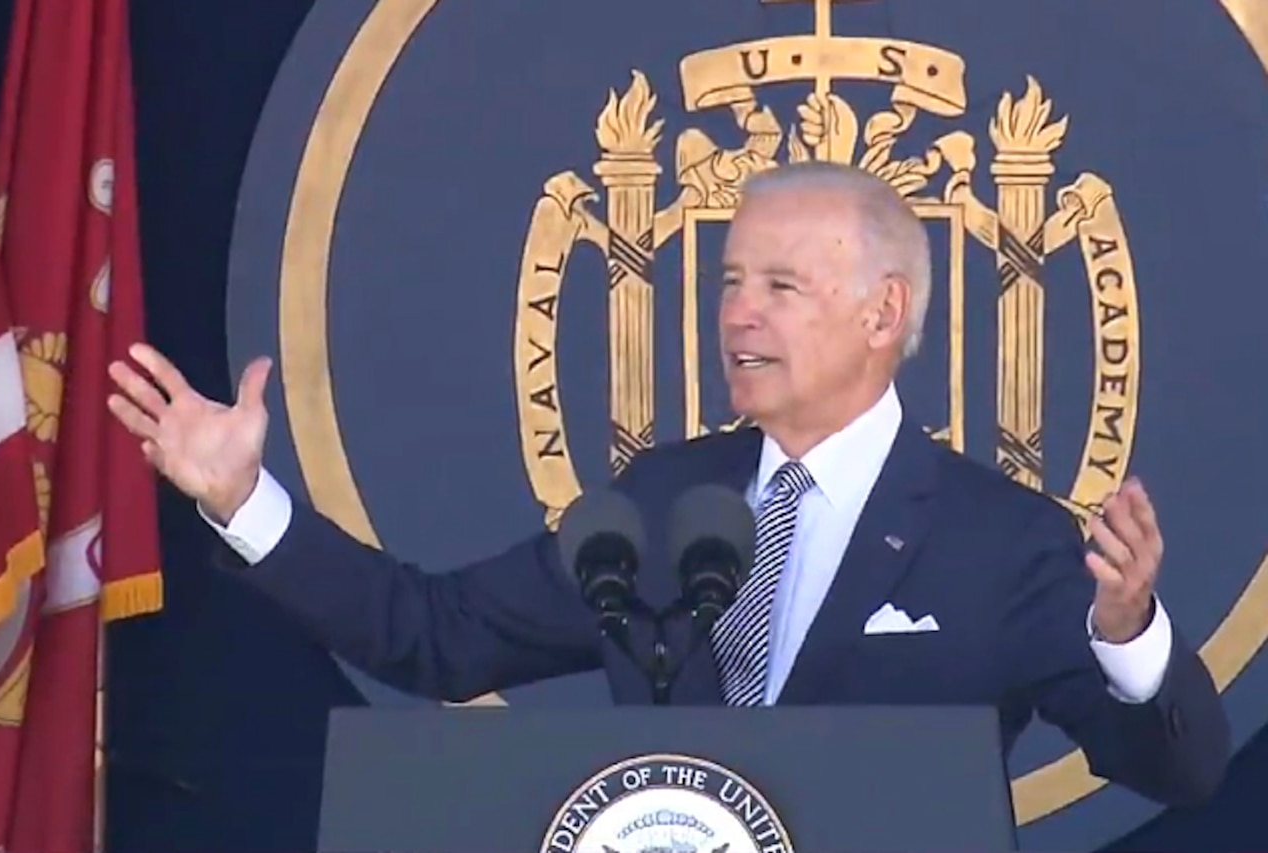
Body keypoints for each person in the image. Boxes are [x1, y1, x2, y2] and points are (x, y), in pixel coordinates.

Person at [107, 161, 1228, 805]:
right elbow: (433, 635)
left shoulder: (1008, 542)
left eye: (781, 285)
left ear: (884, 313)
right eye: (731, 280)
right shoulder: (659, 506)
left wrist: (1126, 635)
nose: (736, 311)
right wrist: (241, 498)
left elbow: (1175, 771)